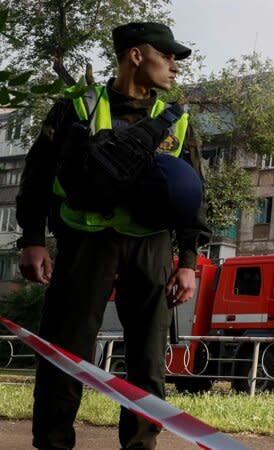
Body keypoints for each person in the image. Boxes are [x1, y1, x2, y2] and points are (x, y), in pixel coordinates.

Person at [16, 22, 210, 450]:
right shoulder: (78, 106)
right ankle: (52, 443)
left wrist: (189, 262)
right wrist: (32, 239)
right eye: (168, 55)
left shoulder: (175, 119)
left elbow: (195, 194)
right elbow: (37, 175)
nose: (175, 66)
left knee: (147, 361)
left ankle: (140, 446)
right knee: (65, 354)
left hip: (152, 245)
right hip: (86, 243)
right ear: (136, 56)